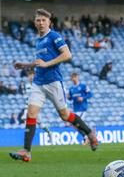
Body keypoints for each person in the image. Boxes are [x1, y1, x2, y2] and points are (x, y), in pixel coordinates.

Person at [9, 9, 98, 162]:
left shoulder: (54, 36)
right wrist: (25, 65)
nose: (41, 23)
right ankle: (26, 151)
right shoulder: (38, 40)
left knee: (64, 115)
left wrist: (47, 64)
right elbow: (39, 63)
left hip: (53, 82)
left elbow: (67, 54)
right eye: (38, 20)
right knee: (31, 114)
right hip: (38, 83)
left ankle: (89, 133)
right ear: (35, 23)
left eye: (44, 20)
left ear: (49, 22)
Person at [18, 69, 52, 136]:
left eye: (32, 76)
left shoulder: (38, 86)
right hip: (28, 106)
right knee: (27, 119)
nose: (30, 78)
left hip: (35, 107)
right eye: (29, 76)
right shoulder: (26, 86)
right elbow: (24, 95)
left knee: (38, 124)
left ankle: (47, 132)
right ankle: (30, 135)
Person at [67, 72, 93, 145]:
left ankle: (87, 138)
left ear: (78, 77)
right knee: (75, 125)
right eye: (73, 77)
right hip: (76, 109)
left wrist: (83, 98)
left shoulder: (83, 86)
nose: (74, 78)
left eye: (75, 77)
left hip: (82, 108)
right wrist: (69, 97)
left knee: (77, 124)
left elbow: (90, 94)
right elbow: (70, 98)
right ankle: (88, 137)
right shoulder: (71, 89)